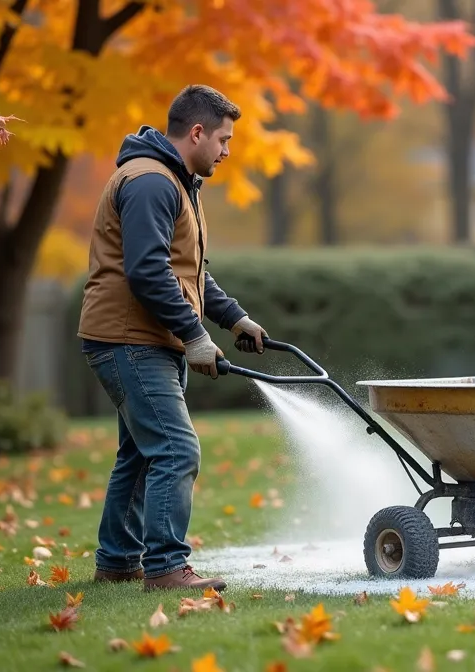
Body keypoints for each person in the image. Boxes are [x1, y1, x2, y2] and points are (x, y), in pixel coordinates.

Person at [77, 84, 267, 592]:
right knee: (176, 450)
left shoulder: (176, 184)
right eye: (224, 140)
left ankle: (118, 560)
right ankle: (164, 566)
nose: (227, 151)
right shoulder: (150, 183)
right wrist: (195, 334)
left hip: (145, 337)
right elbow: (146, 273)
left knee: (141, 454)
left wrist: (234, 319)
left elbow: (190, 273)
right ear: (197, 132)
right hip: (129, 338)